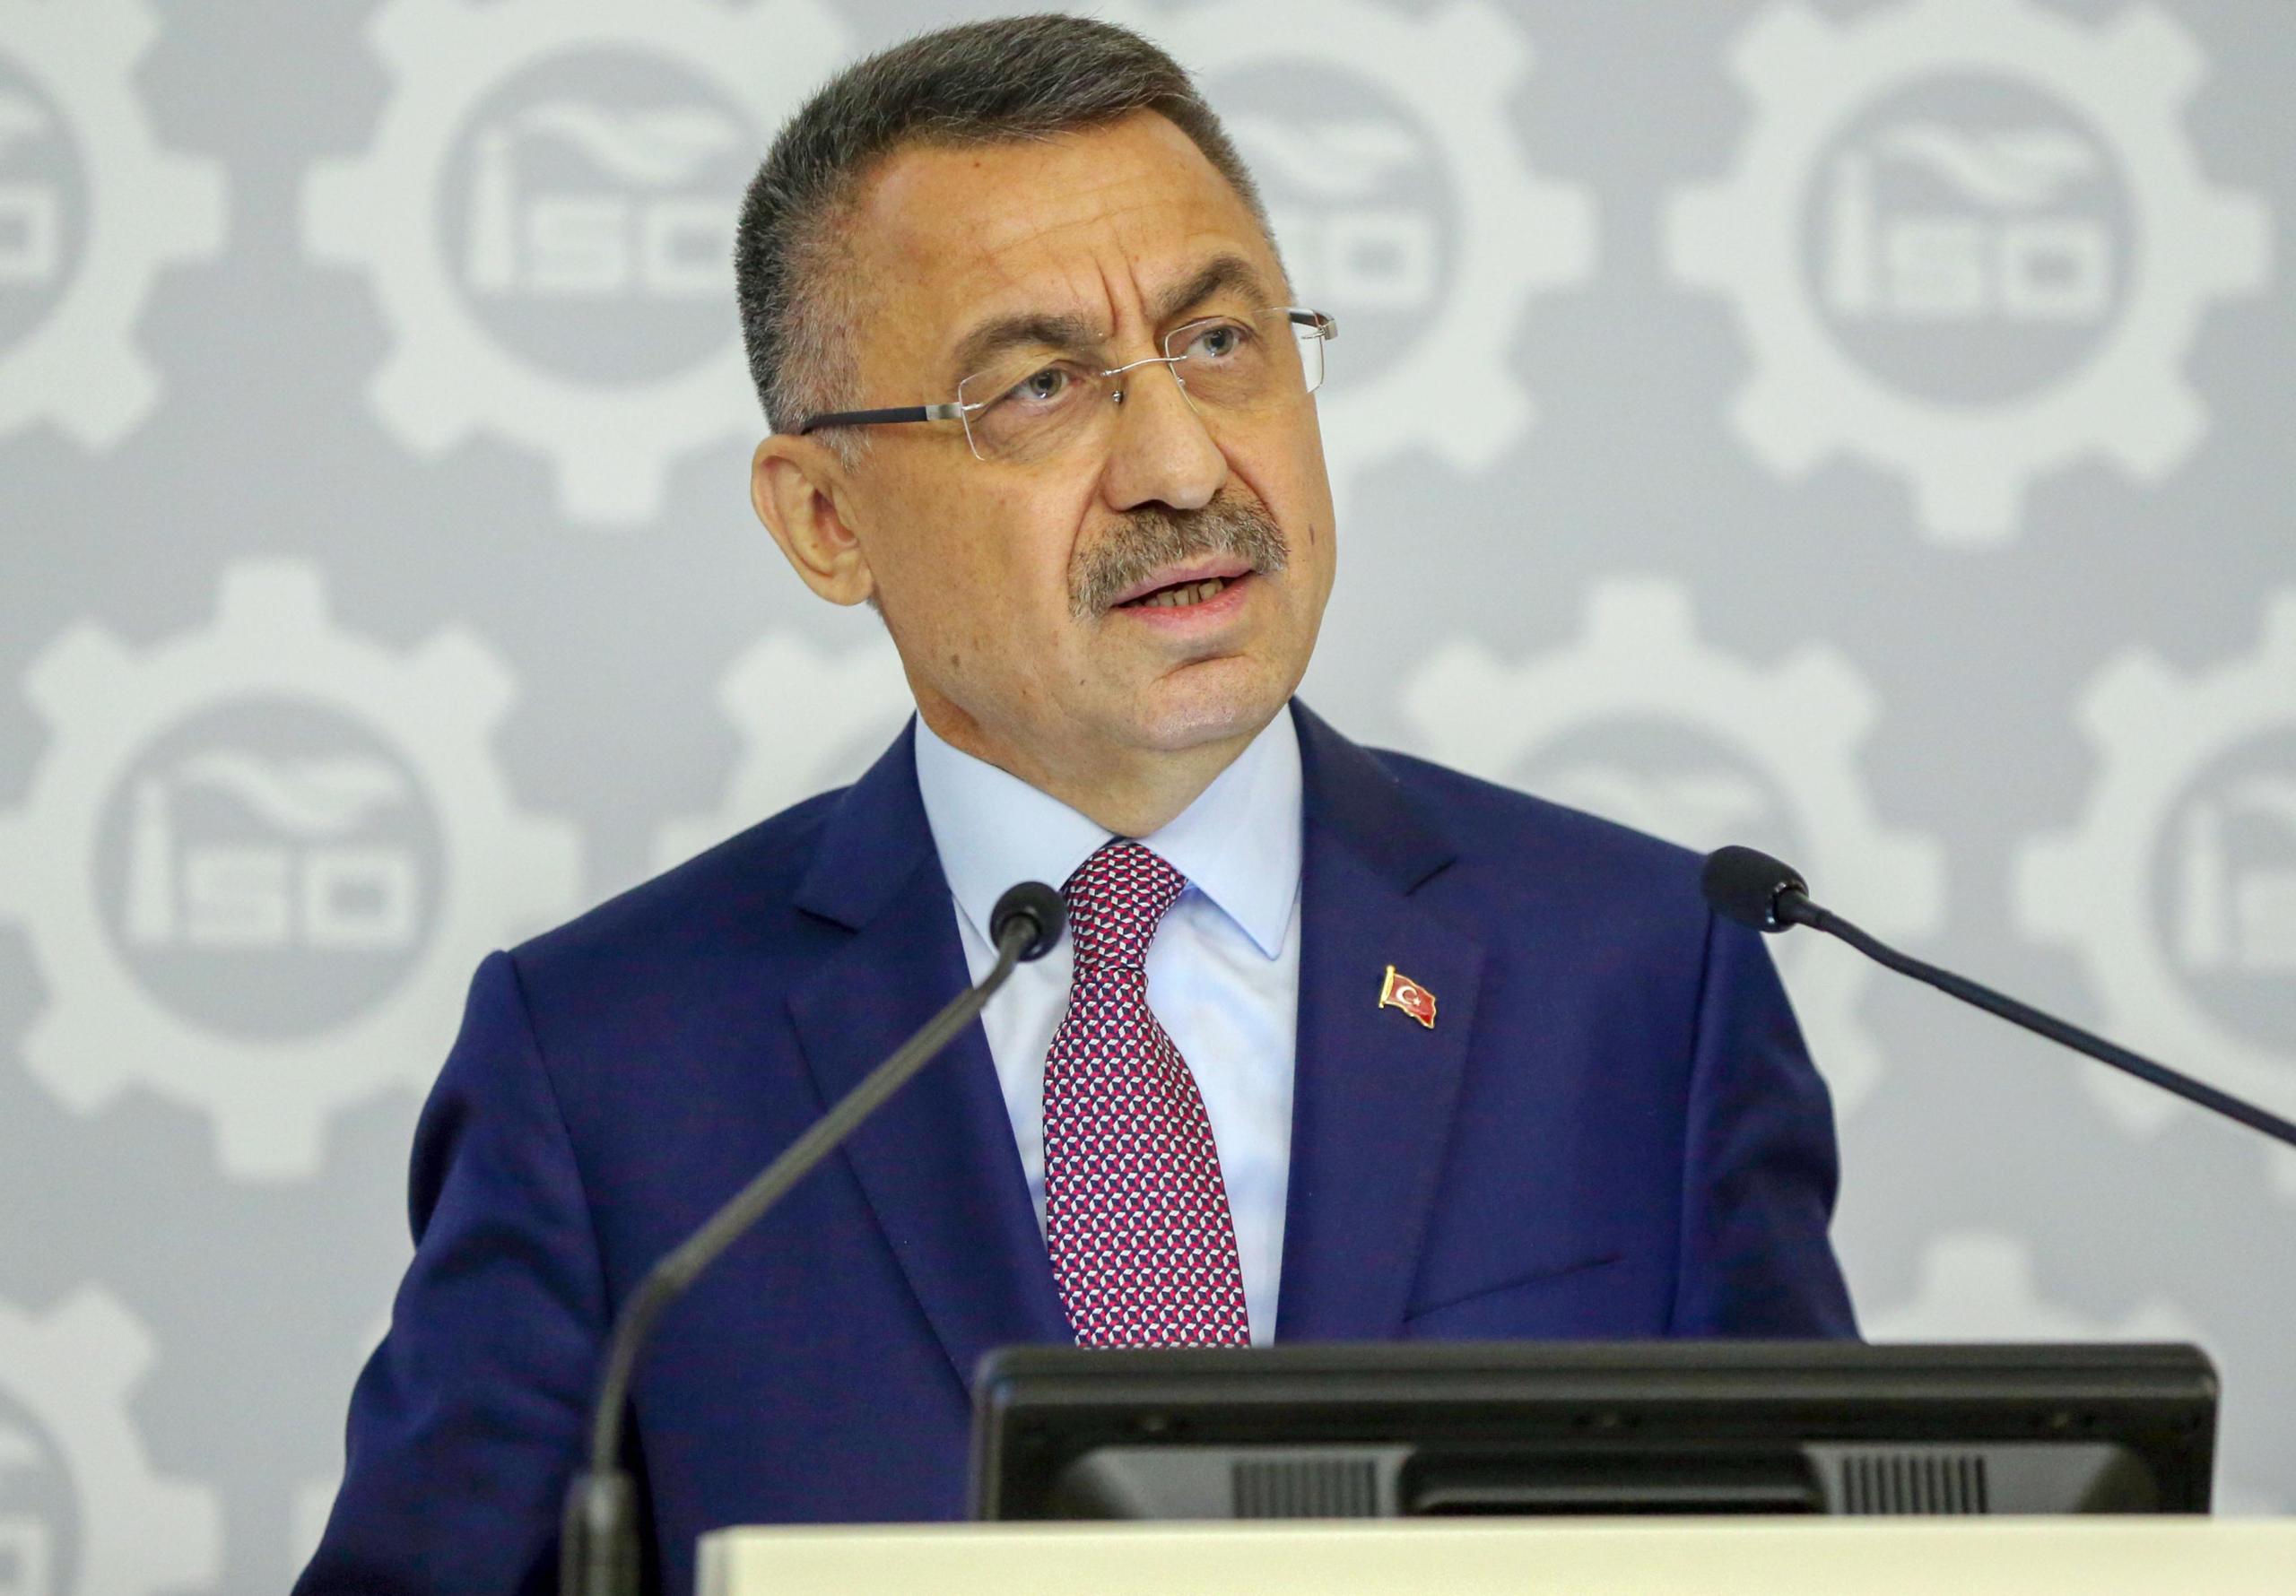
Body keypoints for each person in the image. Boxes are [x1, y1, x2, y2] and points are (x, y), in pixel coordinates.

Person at [299, 14, 1855, 1593]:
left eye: (1220, 344)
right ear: (826, 519)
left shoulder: (1643, 978)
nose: (1181, 464)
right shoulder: (609, 1067)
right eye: (1042, 385)